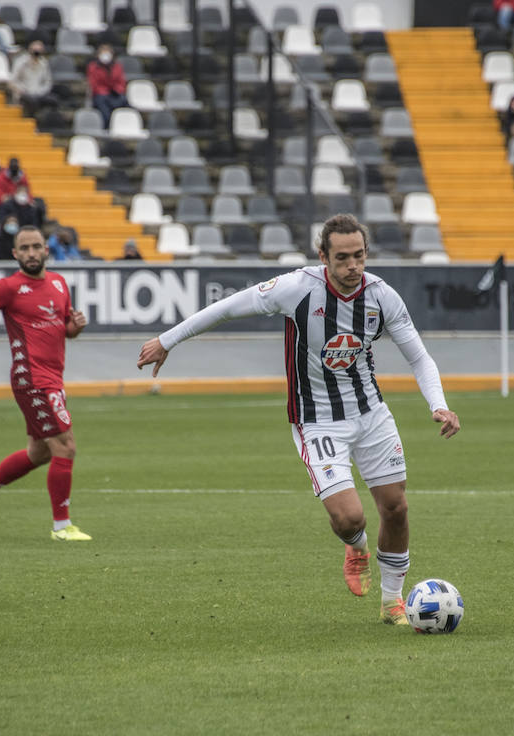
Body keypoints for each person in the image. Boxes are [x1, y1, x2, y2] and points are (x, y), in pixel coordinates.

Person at [136, 214, 462, 624]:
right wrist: (168, 340)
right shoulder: (296, 289)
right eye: (342, 258)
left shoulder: (382, 296)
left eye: (359, 256)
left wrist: (439, 403)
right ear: (322, 256)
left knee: (395, 508)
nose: (352, 267)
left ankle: (392, 602)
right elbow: (227, 308)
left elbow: (419, 356)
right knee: (349, 518)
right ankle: (356, 547)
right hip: (317, 420)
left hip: (371, 413)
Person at [0, 224, 91, 541]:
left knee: (41, 452)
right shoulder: (9, 287)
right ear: (15, 254)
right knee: (66, 445)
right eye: (25, 248)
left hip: (52, 376)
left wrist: (75, 327)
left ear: (46, 250)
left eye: (36, 247)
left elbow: (63, 330)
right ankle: (61, 526)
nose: (31, 253)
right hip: (31, 377)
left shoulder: (59, 284)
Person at [86, 42, 128, 127]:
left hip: (114, 94)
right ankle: (107, 126)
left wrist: (116, 90)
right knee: (104, 108)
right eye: (103, 53)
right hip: (100, 95)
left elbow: (121, 82)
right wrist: (105, 92)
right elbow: (94, 84)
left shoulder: (117, 67)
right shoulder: (93, 67)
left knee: (124, 101)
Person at [9, 41, 56, 115]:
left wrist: (41, 92)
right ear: (29, 50)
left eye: (38, 51)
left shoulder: (44, 63)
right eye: (34, 51)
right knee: (31, 101)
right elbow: (12, 81)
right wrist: (21, 90)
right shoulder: (21, 62)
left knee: (53, 100)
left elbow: (48, 81)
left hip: (39, 93)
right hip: (23, 93)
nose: (36, 53)